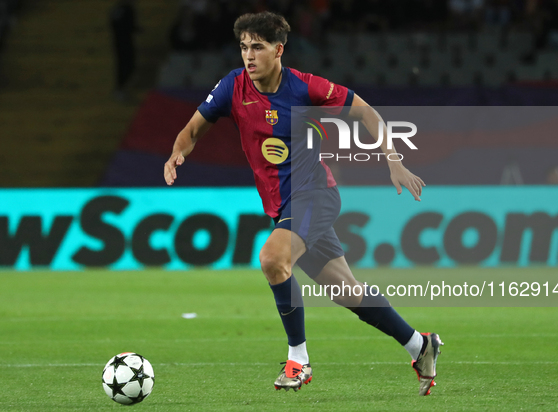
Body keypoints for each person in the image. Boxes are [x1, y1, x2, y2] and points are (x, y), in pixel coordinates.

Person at [163, 11, 442, 396]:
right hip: (283, 206)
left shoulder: (305, 88)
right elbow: (193, 129)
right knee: (346, 291)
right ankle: (420, 345)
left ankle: (299, 359)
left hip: (315, 195)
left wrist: (392, 159)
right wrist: (178, 152)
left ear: (278, 50)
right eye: (244, 47)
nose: (248, 55)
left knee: (273, 260)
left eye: (257, 47)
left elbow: (364, 110)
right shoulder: (232, 86)